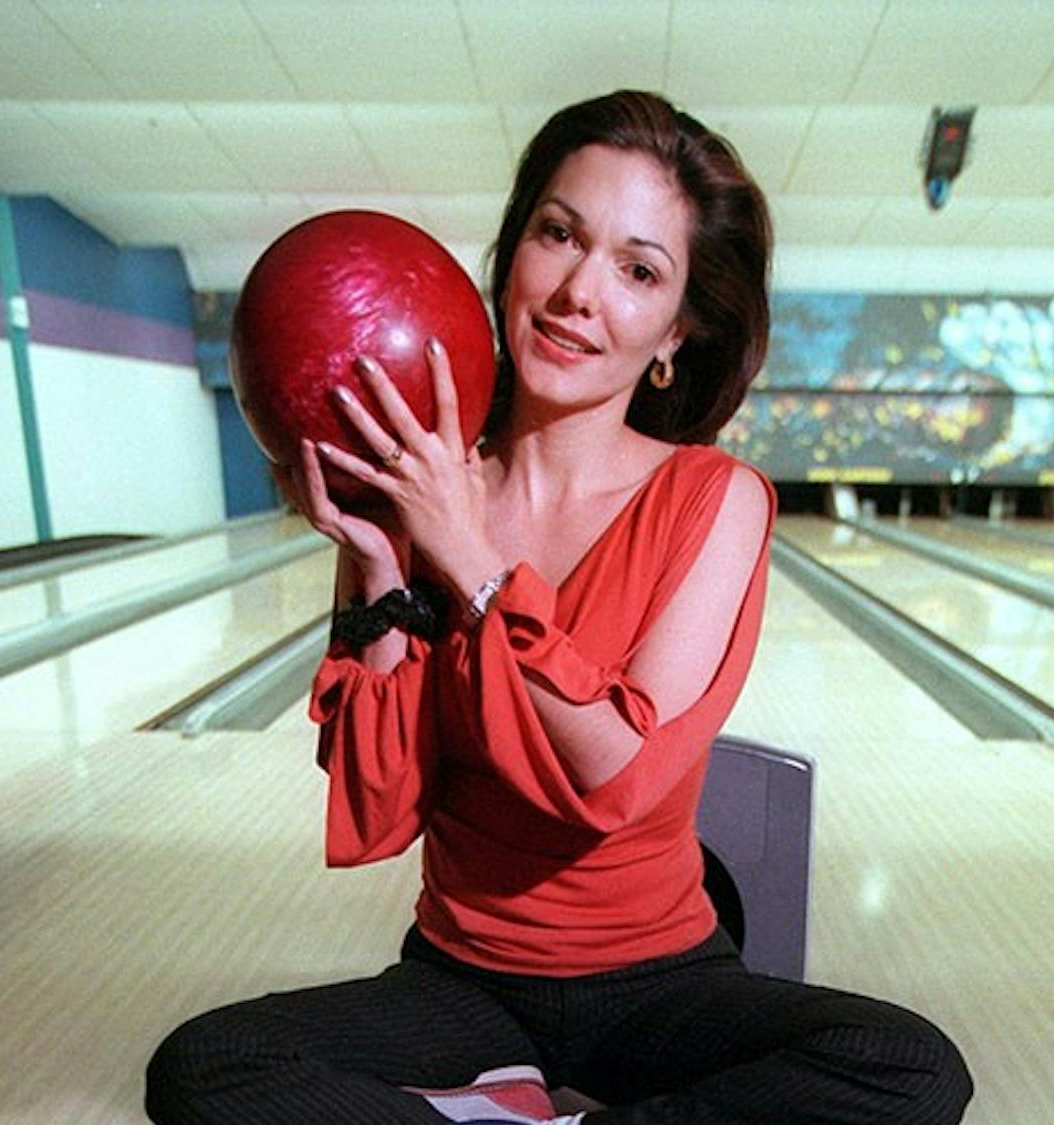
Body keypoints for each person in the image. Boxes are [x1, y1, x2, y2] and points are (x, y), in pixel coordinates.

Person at [146, 90, 972, 1125]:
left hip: (663, 985)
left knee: (910, 1066)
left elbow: (613, 778)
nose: (582, 291)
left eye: (637, 270)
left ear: (677, 330)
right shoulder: (420, 498)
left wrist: (469, 557)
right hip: (460, 983)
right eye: (558, 234)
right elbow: (385, 807)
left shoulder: (716, 500)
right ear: (511, 258)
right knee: (203, 1067)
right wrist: (374, 566)